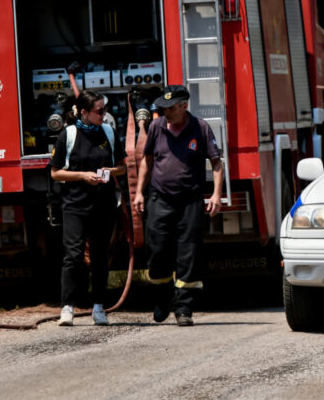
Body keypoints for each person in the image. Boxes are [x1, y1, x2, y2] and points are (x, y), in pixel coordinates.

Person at [131, 85, 223, 327]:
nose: (167, 112)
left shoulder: (200, 128)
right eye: (164, 108)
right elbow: (147, 161)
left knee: (188, 255)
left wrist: (216, 195)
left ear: (184, 106)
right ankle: (162, 299)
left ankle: (184, 308)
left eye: (171, 108)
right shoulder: (156, 127)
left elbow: (216, 162)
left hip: (190, 201)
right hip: (160, 199)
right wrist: (139, 192)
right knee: (157, 252)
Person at [50, 90, 125, 326]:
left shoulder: (109, 133)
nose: (104, 114)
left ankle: (99, 307)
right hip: (75, 205)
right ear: (83, 112)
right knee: (73, 256)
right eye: (99, 111)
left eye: (105, 110)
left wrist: (110, 172)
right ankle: (67, 307)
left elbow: (122, 166)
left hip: (103, 206)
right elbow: (55, 173)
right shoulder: (68, 135)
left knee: (101, 257)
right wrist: (82, 176)